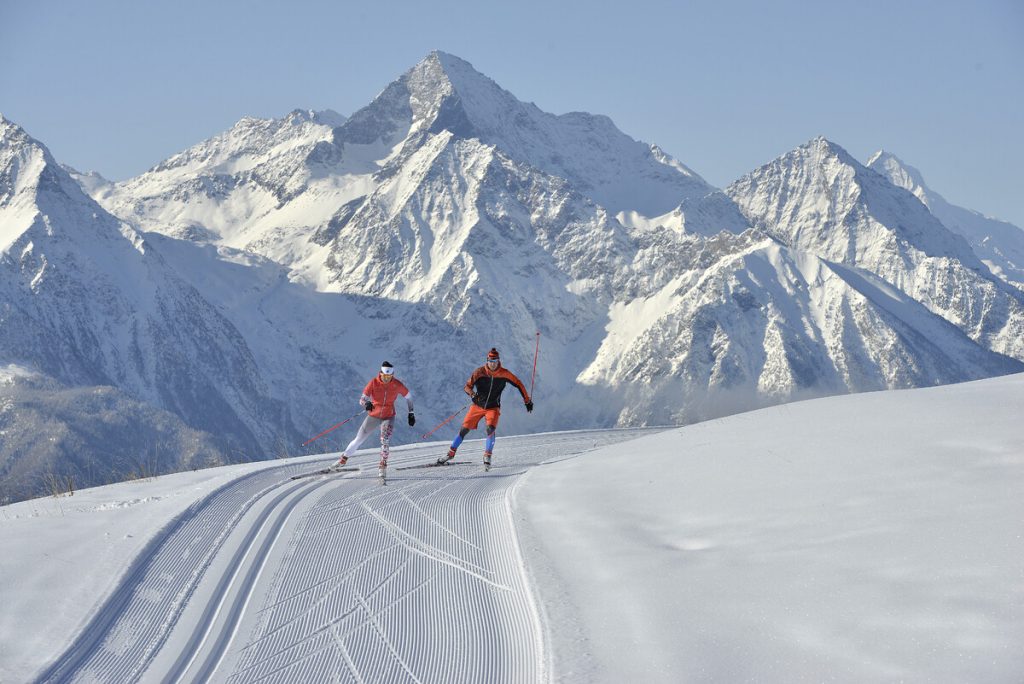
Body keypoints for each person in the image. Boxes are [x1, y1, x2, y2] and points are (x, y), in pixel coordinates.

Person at [437, 347, 533, 467]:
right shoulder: (479, 372)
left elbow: (518, 383)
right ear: (487, 361)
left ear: (498, 361)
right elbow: (467, 387)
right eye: (491, 361)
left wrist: (527, 400)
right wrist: (472, 394)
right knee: (464, 430)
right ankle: (450, 454)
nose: (493, 364)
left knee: (490, 429)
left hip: (493, 408)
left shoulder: (505, 373)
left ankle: (487, 455)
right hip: (477, 406)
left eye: (495, 361)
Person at [333, 361, 415, 476]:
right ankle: (343, 460)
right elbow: (362, 399)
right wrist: (366, 403)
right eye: (384, 376)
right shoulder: (373, 383)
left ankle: (383, 465)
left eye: (389, 377)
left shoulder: (397, 384)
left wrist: (411, 413)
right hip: (373, 416)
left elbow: (409, 397)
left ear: (392, 375)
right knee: (359, 439)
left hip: (388, 416)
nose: (386, 379)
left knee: (385, 440)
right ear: (380, 373)